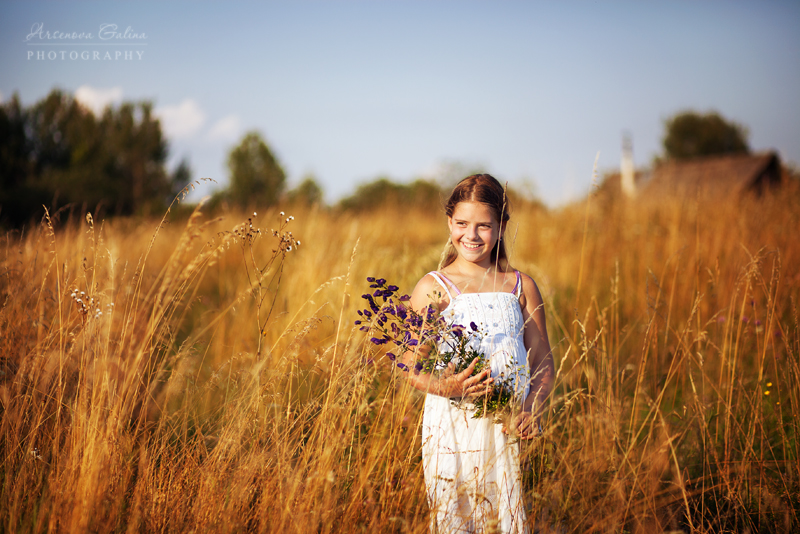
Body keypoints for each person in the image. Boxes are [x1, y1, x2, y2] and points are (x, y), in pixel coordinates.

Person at [401, 174, 554, 534]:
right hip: (453, 427)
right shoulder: (434, 287)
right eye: (462, 223)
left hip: (508, 426)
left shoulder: (521, 286)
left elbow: (543, 360)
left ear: (501, 227)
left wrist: (531, 408)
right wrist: (447, 386)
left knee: (506, 517)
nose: (471, 235)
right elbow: (409, 366)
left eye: (483, 225)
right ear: (449, 222)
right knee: (458, 517)